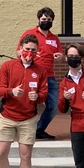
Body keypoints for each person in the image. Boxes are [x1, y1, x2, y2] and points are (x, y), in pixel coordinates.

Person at [0, 33, 46, 168]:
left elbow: (44, 94)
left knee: (25, 155)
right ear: (20, 49)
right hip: (7, 116)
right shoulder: (7, 66)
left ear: (37, 52)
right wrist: (11, 92)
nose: (29, 53)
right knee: (1, 153)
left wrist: (37, 96)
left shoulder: (40, 70)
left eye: (33, 50)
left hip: (28, 118)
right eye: (26, 49)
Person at [20, 7, 63, 139]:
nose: (46, 21)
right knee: (26, 103)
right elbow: (18, 52)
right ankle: (23, 130)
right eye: (44, 19)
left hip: (49, 76)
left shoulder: (54, 38)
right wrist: (30, 53)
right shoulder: (29, 34)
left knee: (54, 105)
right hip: (32, 74)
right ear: (39, 19)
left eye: (49, 20)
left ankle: (39, 129)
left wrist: (60, 57)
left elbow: (61, 57)